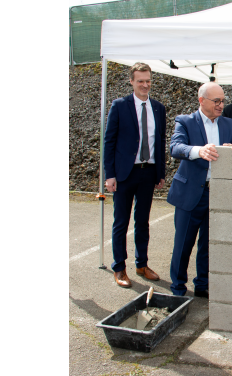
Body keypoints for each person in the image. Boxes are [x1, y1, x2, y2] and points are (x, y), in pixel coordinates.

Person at [166, 82, 232, 298]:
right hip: (190, 194)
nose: (220, 105)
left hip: (217, 194)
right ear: (201, 101)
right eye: (216, 101)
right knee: (183, 244)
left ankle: (203, 284)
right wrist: (199, 151)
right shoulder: (185, 121)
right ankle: (178, 287)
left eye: (222, 101)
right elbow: (176, 147)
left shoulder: (228, 124)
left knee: (208, 245)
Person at [103, 62, 166, 288]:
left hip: (148, 173)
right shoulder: (119, 106)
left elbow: (160, 142)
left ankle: (141, 264)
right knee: (121, 222)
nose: (145, 85)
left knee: (143, 222)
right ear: (131, 81)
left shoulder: (158, 108)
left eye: (148, 80)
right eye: (140, 81)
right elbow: (109, 142)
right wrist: (109, 175)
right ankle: (119, 268)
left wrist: (160, 172)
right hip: (124, 175)